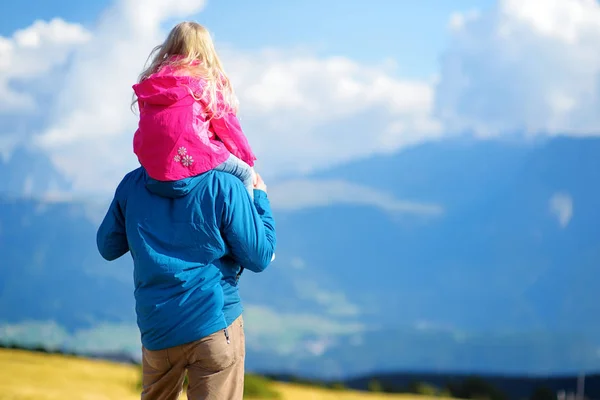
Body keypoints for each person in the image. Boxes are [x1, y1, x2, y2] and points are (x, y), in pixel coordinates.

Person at [96, 166, 276, 400]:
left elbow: (107, 247)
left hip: (158, 326)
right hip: (214, 322)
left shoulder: (133, 183)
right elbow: (260, 257)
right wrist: (260, 198)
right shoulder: (224, 184)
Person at [132, 21, 257, 198]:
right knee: (244, 173)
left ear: (171, 44)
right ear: (206, 48)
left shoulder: (152, 81)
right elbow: (228, 127)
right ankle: (253, 221)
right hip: (194, 151)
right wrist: (247, 159)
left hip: (152, 158)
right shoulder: (205, 80)